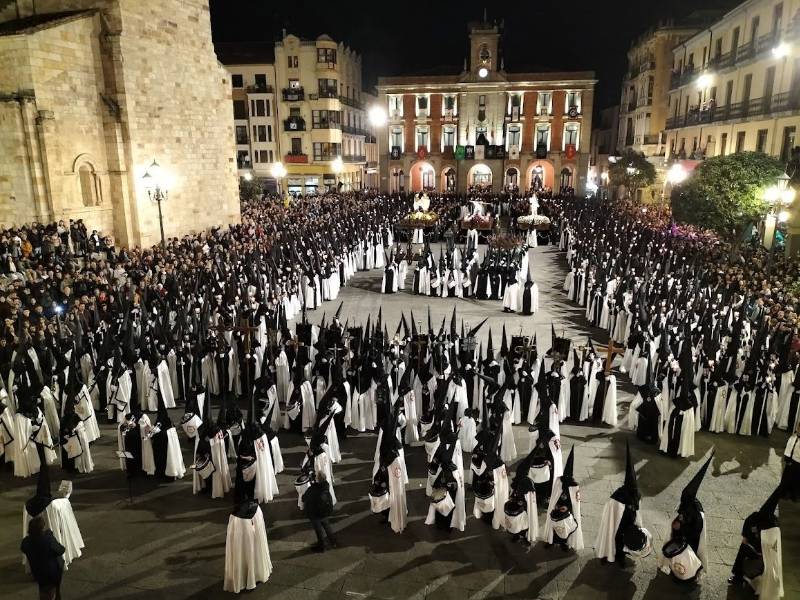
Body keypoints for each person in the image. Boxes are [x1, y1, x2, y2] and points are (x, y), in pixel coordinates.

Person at [21, 515, 65, 600]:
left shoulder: (26, 542)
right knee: (48, 592)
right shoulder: (48, 540)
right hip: (51, 573)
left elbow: (24, 547)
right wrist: (50, 536)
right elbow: (61, 550)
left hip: (37, 572)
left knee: (44, 589)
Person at [302, 470, 338, 552]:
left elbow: (304, 498)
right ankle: (333, 542)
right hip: (325, 511)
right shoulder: (326, 486)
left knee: (319, 531)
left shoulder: (312, 489)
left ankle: (321, 547)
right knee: (327, 526)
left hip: (315, 513)